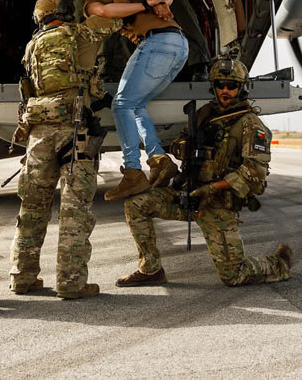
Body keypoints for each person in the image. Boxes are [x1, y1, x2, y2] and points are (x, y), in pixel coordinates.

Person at [115, 53, 292, 287]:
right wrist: (186, 149)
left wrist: (212, 188)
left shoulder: (250, 124)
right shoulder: (203, 115)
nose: (225, 91)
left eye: (232, 86)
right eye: (220, 85)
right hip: (188, 195)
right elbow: (178, 143)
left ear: (242, 88)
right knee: (135, 205)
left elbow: (255, 172)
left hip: (217, 203)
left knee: (233, 276)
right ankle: (150, 269)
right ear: (214, 87)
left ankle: (279, 263)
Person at [8, 0, 121, 299]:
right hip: (74, 132)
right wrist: (94, 2)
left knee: (32, 207)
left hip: (38, 134)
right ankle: (71, 282)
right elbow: (114, 18)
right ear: (67, 11)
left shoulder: (33, 45)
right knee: (75, 209)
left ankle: (22, 278)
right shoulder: (82, 33)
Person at [71, 0, 185, 201]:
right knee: (135, 105)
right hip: (179, 46)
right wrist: (161, 1)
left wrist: (148, 4)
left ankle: (133, 171)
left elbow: (102, 12)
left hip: (157, 45)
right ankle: (159, 160)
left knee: (121, 104)